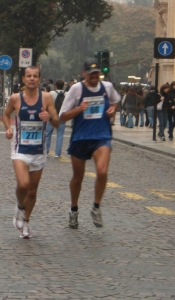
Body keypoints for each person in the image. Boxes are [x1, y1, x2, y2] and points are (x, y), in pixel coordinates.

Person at [59, 58, 120, 229]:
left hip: (102, 137)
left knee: (102, 171)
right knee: (78, 178)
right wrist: (79, 109)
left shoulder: (107, 87)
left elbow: (115, 101)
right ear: (84, 73)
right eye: (91, 73)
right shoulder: (76, 89)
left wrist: (112, 109)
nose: (94, 76)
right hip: (80, 138)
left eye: (97, 73)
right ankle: (73, 210)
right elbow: (62, 116)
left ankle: (96, 207)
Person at [3, 66, 59, 239]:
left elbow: (57, 121)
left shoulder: (47, 98)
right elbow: (5, 115)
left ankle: (26, 221)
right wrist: (8, 129)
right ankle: (20, 206)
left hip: (38, 150)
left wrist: (49, 118)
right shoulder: (15, 98)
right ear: (23, 79)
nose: (32, 79)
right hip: (20, 149)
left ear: (40, 79)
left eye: (35, 76)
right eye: (29, 76)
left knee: (33, 191)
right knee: (23, 185)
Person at [46, 79, 66, 157]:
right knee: (60, 135)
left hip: (52, 116)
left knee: (48, 134)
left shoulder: (51, 93)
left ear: (55, 86)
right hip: (62, 116)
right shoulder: (66, 94)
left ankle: (46, 151)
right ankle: (57, 153)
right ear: (63, 86)